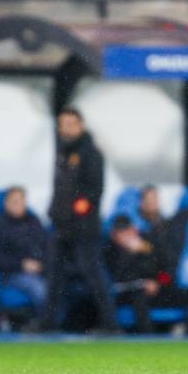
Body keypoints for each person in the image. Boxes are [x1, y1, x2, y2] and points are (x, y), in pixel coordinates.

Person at [44, 107, 118, 331]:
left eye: (69, 124)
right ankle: (47, 323)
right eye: (62, 124)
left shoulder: (90, 153)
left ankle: (111, 324)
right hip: (61, 224)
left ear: (80, 126)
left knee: (93, 274)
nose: (64, 129)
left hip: (84, 227)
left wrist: (76, 211)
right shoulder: (62, 151)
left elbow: (94, 191)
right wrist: (55, 212)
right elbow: (60, 188)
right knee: (55, 276)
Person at [0, 186, 48, 319]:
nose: (19, 205)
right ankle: (46, 326)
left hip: (40, 270)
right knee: (40, 289)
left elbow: (47, 247)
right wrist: (22, 264)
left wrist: (42, 264)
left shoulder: (34, 221)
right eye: (14, 201)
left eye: (21, 201)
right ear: (6, 203)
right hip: (12, 274)